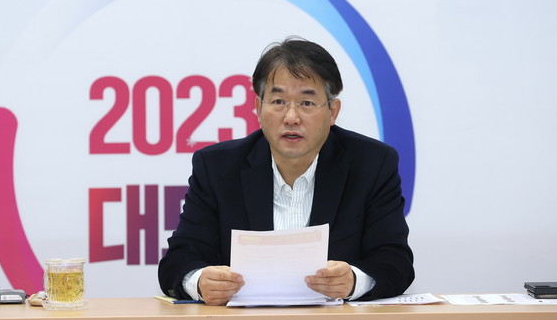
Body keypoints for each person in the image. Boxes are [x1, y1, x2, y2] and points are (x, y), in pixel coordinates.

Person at [158, 37, 414, 305]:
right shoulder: (217, 167)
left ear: (333, 111)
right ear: (259, 108)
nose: (291, 117)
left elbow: (395, 262)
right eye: (278, 101)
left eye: (307, 103)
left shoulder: (372, 164)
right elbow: (178, 261)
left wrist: (353, 281)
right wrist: (200, 282)